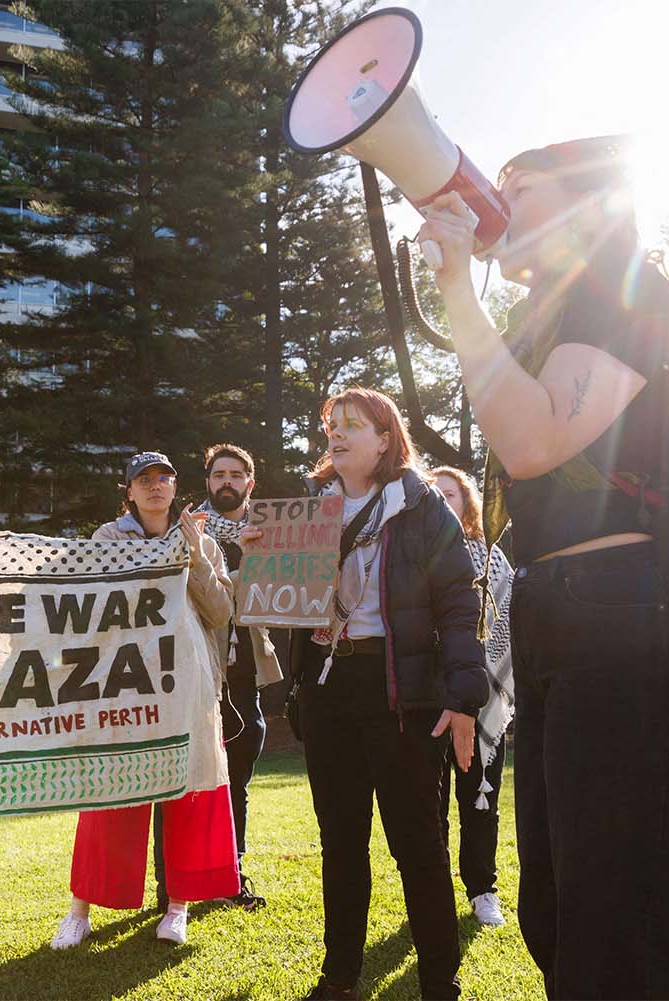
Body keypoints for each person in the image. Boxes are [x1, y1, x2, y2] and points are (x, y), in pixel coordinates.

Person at [418, 136, 669, 997]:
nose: (495, 200)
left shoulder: (624, 293)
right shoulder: (557, 314)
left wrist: (453, 285)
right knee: (557, 909)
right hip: (566, 612)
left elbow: (534, 438)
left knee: (614, 917)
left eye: (520, 186)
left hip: (625, 615)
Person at [257, 387, 487, 1001]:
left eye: (352, 425)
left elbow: (460, 602)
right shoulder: (307, 511)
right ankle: (340, 978)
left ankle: (440, 980)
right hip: (331, 689)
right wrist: (265, 565)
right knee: (340, 839)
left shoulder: (422, 508)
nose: (336, 433)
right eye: (331, 424)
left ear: (385, 439)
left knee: (418, 842)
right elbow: (285, 607)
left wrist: (463, 693)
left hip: (402, 691)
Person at [50, 451, 240, 950]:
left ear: (175, 487)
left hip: (189, 687)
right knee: (109, 799)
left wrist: (195, 553)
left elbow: (220, 612)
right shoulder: (108, 539)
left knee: (190, 793)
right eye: (144, 480)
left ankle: (177, 907)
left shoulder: (204, 541)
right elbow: (95, 606)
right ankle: (79, 911)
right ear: (129, 491)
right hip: (126, 685)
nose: (156, 487)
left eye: (164, 478)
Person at [194, 443, 284, 910]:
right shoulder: (189, 528)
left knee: (240, 765)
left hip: (244, 663)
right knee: (188, 775)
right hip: (196, 664)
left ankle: (232, 873)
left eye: (235, 474)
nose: (225, 481)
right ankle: (176, 883)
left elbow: (281, 595)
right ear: (208, 481)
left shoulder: (272, 533)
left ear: (250, 483)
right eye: (217, 474)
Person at [430, 466, 513, 928]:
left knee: (480, 799)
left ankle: (483, 889)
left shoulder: (493, 560)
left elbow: (506, 630)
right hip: (428, 699)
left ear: (467, 505)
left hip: (482, 700)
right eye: (434, 496)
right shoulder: (414, 558)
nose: (443, 503)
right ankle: (436, 888)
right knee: (431, 804)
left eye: (451, 495)